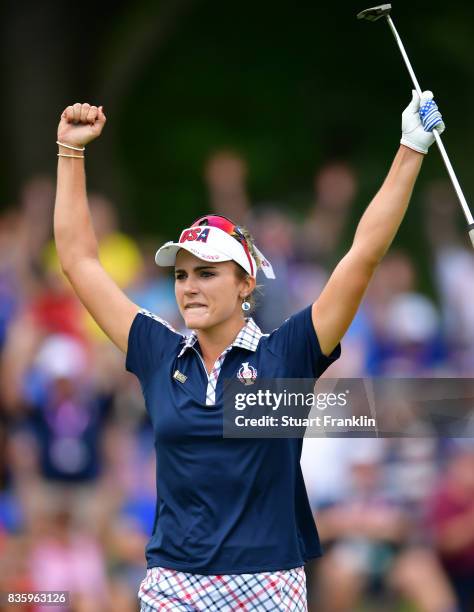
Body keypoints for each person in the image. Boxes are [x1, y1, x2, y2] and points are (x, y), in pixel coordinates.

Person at [53, 91, 444, 611]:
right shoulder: (156, 351)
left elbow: (363, 255)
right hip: (172, 585)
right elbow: (79, 261)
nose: (189, 286)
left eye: (207, 273)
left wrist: (409, 149)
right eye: (181, 274)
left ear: (245, 284)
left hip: (268, 587)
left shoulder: (287, 355)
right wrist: (69, 151)